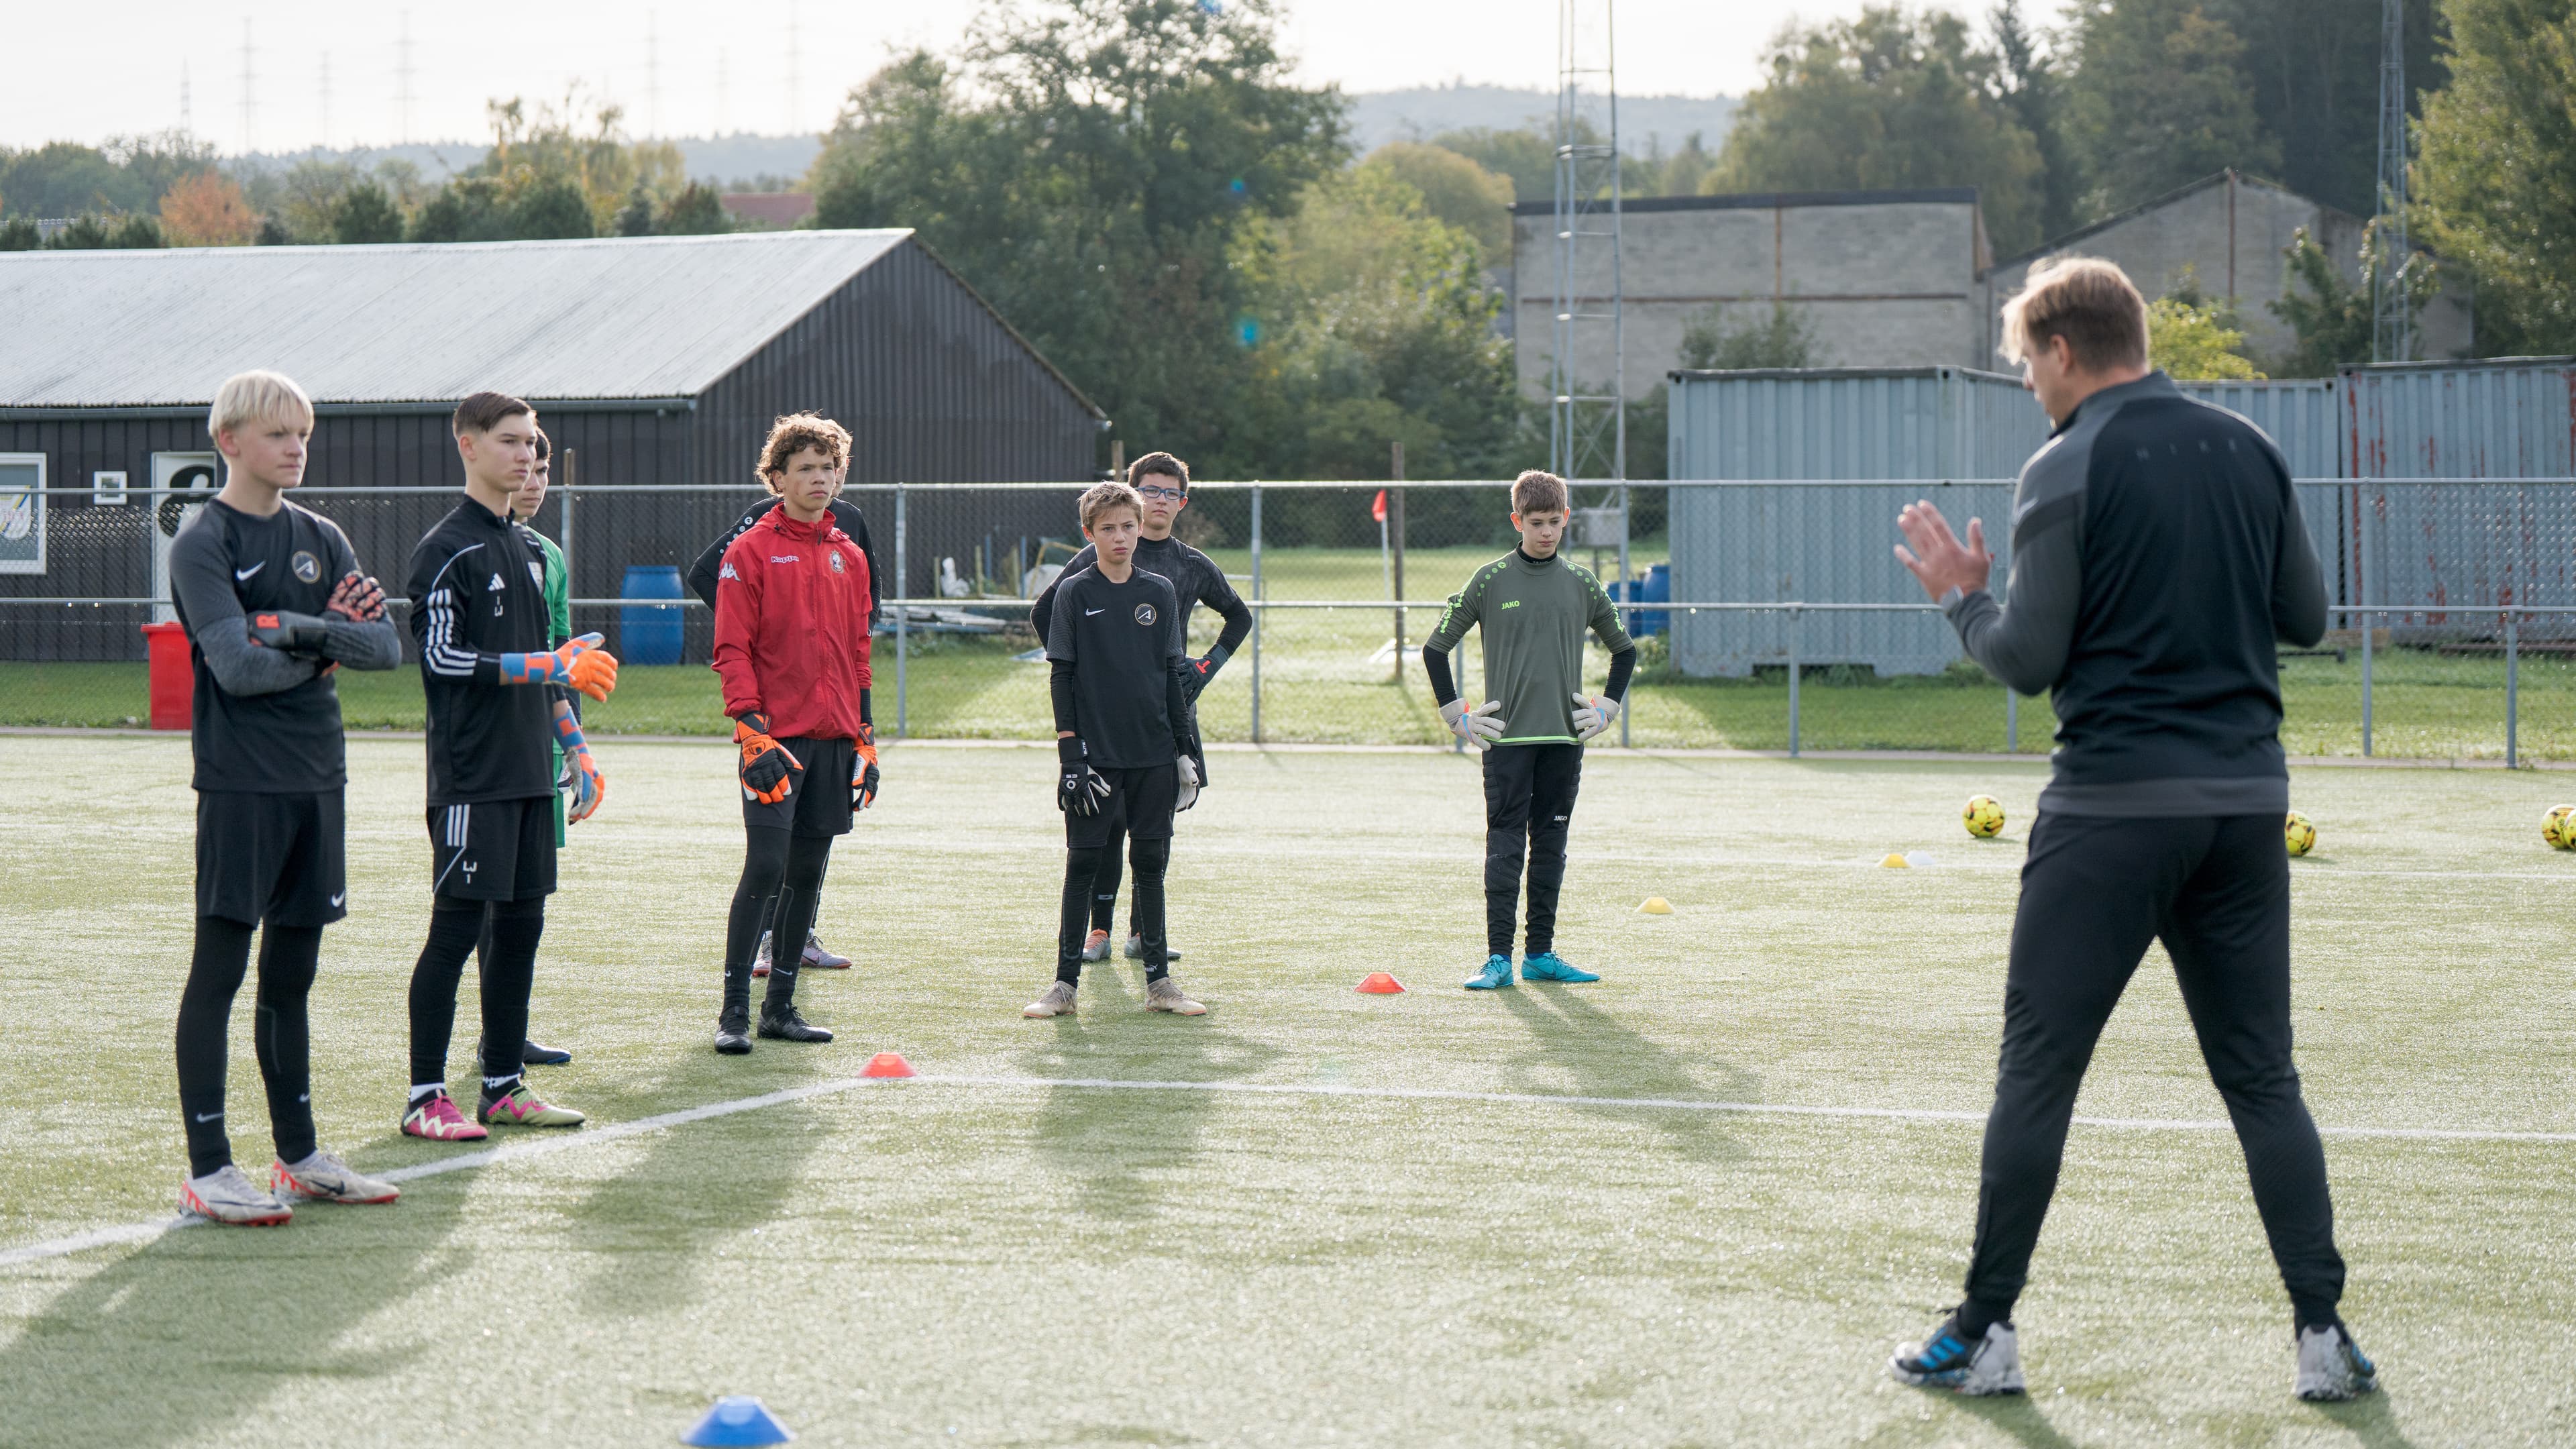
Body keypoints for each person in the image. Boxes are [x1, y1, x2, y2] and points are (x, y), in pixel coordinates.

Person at [1884, 256, 2371, 1401]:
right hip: (2246, 810)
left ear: (2063, 350)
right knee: (2263, 1079)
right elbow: (2308, 617)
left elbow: (2028, 658)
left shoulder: (2067, 461)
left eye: (2026, 365)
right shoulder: (2251, 449)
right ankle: (2322, 1338)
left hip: (2110, 814)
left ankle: (1984, 1335)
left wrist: (1962, 595)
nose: (2029, 389)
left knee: (2037, 1077)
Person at [166, 369, 407, 1224]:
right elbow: (235, 667)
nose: (296, 447)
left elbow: (384, 649)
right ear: (230, 442)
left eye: (303, 432)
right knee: (221, 971)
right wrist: (324, 640)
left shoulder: (322, 534)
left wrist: (297, 631)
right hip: (241, 785)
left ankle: (300, 1156)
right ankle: (208, 1167)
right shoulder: (203, 544)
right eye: (278, 434)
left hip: (319, 777)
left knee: (293, 976)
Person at [400, 392, 615, 1142]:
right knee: (456, 933)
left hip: (530, 777)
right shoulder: (446, 549)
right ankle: (426, 1096)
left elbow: (550, 674)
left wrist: (575, 745)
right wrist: (542, 665)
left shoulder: (529, 551)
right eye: (509, 441)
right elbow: (440, 658)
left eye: (532, 444)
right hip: (472, 779)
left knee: (522, 929)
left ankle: (502, 1086)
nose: (525, 456)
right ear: (468, 445)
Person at [1028, 451, 1250, 965]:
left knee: (1156, 827)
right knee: (1105, 822)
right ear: (1130, 494)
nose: (1159, 500)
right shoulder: (1103, 550)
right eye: (1149, 489)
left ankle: (1143, 931)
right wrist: (1089, 671)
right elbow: (1045, 613)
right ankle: (1098, 931)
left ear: (1182, 503)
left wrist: (1202, 670)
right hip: (1104, 719)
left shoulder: (1189, 565)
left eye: (1169, 492)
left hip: (1166, 712)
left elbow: (1239, 617)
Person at [1420, 469, 1635, 991]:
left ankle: (1540, 954)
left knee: (1552, 845)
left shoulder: (1582, 582)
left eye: (1555, 522)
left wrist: (1606, 709)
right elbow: (1434, 649)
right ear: (1517, 520)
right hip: (1507, 743)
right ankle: (1498, 959)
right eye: (1535, 522)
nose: (1546, 532)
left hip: (1563, 741)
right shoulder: (1491, 579)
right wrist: (1458, 717)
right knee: (1506, 847)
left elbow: (1624, 650)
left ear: (1567, 520)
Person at [708, 413, 878, 1054]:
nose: (819, 478)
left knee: (808, 869)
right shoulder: (749, 550)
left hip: (836, 742)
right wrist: (751, 733)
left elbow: (859, 654)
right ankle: (732, 1011)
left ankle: (780, 1006)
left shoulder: (850, 555)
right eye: (805, 468)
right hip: (774, 743)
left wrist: (865, 738)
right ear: (776, 477)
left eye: (829, 467)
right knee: (768, 865)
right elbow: (731, 649)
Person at [1022, 480, 1206, 1020]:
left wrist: (1182, 750)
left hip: (1152, 756)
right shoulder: (1075, 593)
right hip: (1096, 759)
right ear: (1090, 534)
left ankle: (1160, 985)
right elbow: (1062, 678)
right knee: (1083, 864)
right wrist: (1070, 757)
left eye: (1128, 526)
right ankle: (1064, 985)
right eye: (1108, 529)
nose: (1121, 536)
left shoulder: (1160, 592)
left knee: (1150, 863)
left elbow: (1173, 676)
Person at [472, 425, 592, 1069]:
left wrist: (575, 747)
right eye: (527, 465)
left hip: (541, 750)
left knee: (527, 902)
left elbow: (564, 659)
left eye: (545, 471)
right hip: (491, 756)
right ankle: (494, 1043)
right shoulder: (471, 547)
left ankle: (508, 1034)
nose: (535, 480)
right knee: (489, 904)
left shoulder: (550, 553)